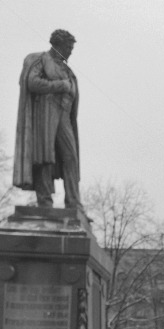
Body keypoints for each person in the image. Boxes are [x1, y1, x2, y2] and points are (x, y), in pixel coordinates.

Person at [13, 29, 81, 210]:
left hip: (64, 115)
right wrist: (60, 85)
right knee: (44, 156)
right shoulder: (41, 60)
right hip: (45, 112)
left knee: (71, 158)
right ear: (57, 45)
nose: (70, 51)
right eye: (68, 47)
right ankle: (44, 202)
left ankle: (74, 203)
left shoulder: (67, 69)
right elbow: (32, 82)